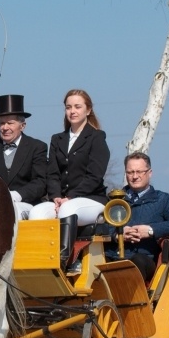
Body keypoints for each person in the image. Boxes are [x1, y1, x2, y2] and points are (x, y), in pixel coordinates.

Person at [29, 89, 110, 270]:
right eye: (68, 107)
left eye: (77, 107)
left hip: (91, 200)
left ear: (88, 110)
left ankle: (64, 262)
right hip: (62, 200)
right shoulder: (57, 139)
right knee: (37, 213)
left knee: (68, 209)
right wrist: (56, 196)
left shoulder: (96, 137)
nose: (72, 111)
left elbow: (95, 176)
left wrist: (70, 197)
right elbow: (53, 173)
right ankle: (38, 263)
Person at [105, 151, 169, 280]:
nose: (135, 176)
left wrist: (151, 230)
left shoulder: (162, 200)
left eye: (140, 172)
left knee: (136, 262)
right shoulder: (113, 200)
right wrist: (118, 234)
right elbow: (99, 226)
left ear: (149, 173)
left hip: (144, 260)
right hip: (112, 256)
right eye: (130, 172)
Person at [0, 94, 47, 220]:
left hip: (25, 204)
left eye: (10, 123)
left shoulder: (37, 147)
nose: (5, 128)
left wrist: (17, 195)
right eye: (1, 123)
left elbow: (40, 182)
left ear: (22, 125)